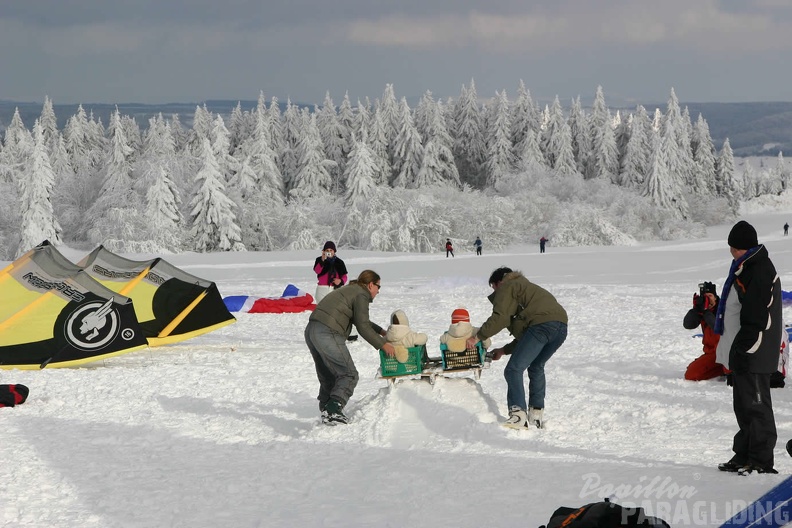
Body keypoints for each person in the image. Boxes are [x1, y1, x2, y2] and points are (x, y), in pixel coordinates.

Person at [715, 221, 782, 475]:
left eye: (735, 248)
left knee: (756, 408)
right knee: (743, 408)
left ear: (746, 247)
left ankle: (761, 461)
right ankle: (744, 454)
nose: (732, 252)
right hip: (744, 351)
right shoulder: (746, 267)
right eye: (731, 247)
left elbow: (757, 318)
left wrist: (745, 351)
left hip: (754, 352)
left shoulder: (760, 270)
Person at [466, 267, 568, 429]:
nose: (495, 293)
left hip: (542, 327)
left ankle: (518, 416)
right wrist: (504, 350)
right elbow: (527, 337)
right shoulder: (525, 289)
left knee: (513, 369)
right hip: (560, 328)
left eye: (493, 288)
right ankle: (535, 416)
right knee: (536, 367)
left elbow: (500, 318)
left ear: (499, 282)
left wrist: (477, 337)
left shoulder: (508, 286)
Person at [305, 270, 395, 425]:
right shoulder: (362, 294)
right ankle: (333, 409)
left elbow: (359, 319)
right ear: (370, 284)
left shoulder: (350, 289)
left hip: (312, 330)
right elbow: (362, 326)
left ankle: (326, 408)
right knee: (349, 374)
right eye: (378, 287)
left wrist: (380, 331)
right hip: (328, 331)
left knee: (328, 375)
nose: (378, 291)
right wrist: (383, 345)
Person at [683, 281, 726, 381]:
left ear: (715, 297)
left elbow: (718, 328)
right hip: (712, 354)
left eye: (710, 296)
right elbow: (688, 325)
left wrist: (706, 312)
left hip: (725, 352)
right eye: (705, 297)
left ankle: (726, 369)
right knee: (691, 374)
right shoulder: (703, 311)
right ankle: (722, 369)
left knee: (692, 374)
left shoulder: (724, 309)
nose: (708, 299)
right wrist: (695, 310)